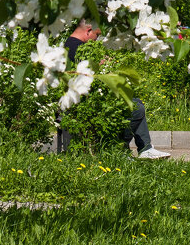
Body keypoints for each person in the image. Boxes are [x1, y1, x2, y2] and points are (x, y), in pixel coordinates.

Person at [64, 21, 170, 159]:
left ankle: (145, 148)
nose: (96, 39)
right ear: (88, 31)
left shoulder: (72, 45)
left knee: (135, 102)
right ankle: (117, 148)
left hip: (90, 98)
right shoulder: (74, 47)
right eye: (96, 35)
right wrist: (102, 64)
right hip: (84, 102)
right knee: (135, 107)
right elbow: (88, 74)